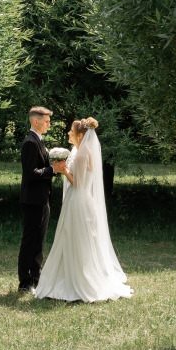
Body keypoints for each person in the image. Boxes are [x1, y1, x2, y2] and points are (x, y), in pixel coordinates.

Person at [35, 117, 132, 302]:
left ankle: (77, 281)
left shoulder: (81, 154)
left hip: (78, 200)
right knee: (77, 238)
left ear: (80, 135)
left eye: (71, 131)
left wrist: (64, 172)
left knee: (74, 238)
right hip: (83, 200)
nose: (69, 133)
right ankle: (69, 276)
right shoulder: (83, 151)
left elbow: (78, 183)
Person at [18, 106, 66, 292]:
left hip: (41, 198)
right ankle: (25, 282)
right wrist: (53, 170)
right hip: (32, 200)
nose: (49, 124)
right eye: (47, 121)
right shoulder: (30, 142)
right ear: (36, 121)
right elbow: (31, 173)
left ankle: (36, 277)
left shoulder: (39, 140)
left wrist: (53, 168)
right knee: (30, 241)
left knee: (39, 241)